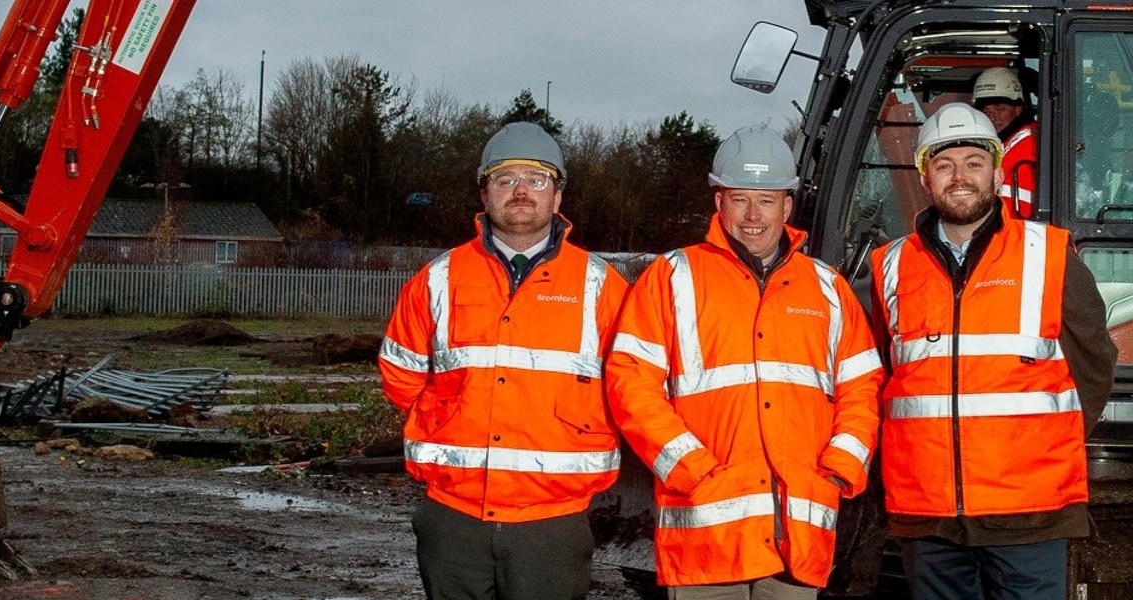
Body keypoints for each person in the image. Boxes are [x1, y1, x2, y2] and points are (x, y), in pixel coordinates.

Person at [607, 126, 884, 599]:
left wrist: (839, 467)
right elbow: (630, 383)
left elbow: (862, 387)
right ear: (719, 203)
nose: (753, 216)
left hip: (795, 539)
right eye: (740, 199)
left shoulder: (827, 289)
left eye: (767, 200)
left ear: (787, 206)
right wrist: (689, 466)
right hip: (706, 537)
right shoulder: (672, 279)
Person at [872, 102, 1118, 600]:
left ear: (998, 173)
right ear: (925, 177)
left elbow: (1092, 366)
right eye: (944, 165)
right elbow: (877, 377)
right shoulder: (890, 266)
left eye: (973, 163)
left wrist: (1038, 449)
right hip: (929, 514)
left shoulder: (1048, 256)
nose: (959, 177)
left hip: (1028, 511)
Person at [377, 121, 629, 600]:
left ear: (557, 197)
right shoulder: (439, 278)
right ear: (484, 193)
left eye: (536, 180)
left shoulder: (602, 286)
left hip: (553, 520)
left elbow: (630, 384)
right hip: (453, 516)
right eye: (505, 179)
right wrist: (447, 421)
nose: (520, 191)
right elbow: (400, 372)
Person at [973, 66, 1039, 219]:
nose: (992, 117)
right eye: (986, 111)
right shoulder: (1006, 144)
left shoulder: (1028, 144)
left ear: (1018, 109)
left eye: (999, 109)